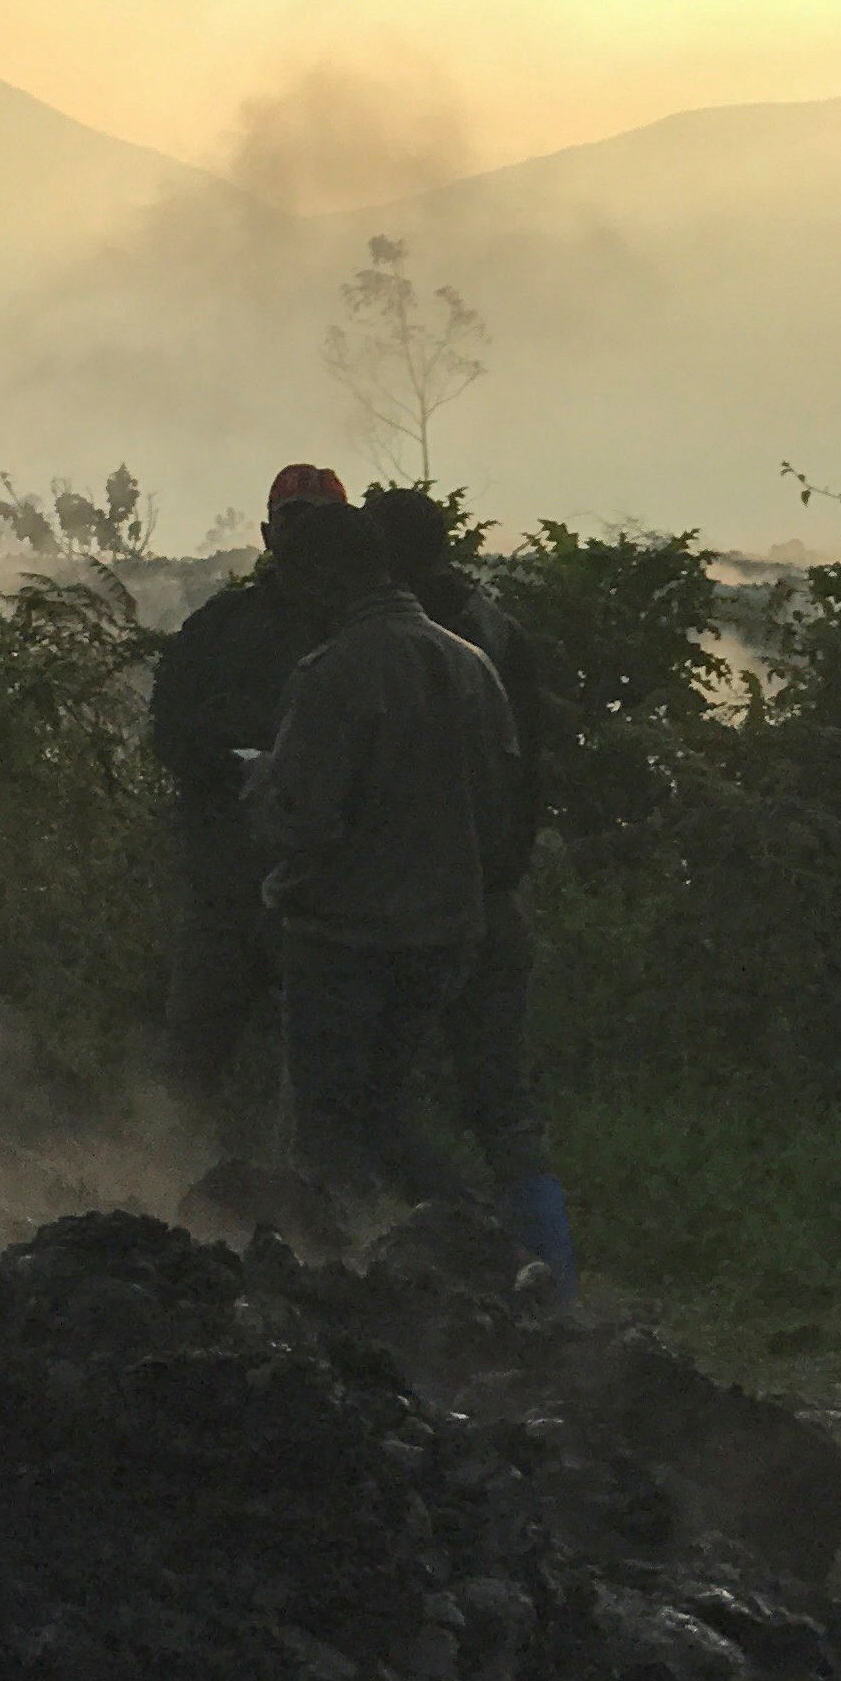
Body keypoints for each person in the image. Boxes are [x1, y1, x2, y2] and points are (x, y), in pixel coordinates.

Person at [243, 495, 520, 1215]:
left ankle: (350, 1267)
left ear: (326, 578)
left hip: (345, 935)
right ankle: (467, 1247)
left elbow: (303, 816)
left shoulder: (335, 673)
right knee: (388, 1113)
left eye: (297, 579)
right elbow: (500, 810)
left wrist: (260, 780)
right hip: (444, 932)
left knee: (329, 1131)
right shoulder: (473, 667)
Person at [363, 484, 573, 1293]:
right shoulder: (495, 630)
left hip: (406, 908)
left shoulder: (387, 640)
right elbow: (528, 777)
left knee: (364, 1102)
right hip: (488, 892)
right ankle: (550, 1285)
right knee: (504, 1109)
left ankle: (484, 1259)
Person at [145, 463, 351, 1136]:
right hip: (227, 891)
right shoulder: (220, 629)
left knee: (320, 1088)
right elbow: (169, 734)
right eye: (295, 525)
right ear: (269, 533)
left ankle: (309, 1218)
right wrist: (239, 761)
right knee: (189, 1074)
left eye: (321, 527)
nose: (305, 542)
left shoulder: (362, 634)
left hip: (328, 901)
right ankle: (158, 1205)